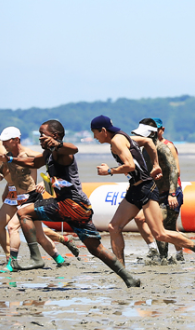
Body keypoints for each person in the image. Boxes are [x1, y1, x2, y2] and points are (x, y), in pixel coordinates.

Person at [0, 120, 140, 287]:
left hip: (68, 204)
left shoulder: (62, 152)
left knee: (24, 213)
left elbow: (74, 148)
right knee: (95, 248)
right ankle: (129, 278)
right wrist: (10, 159)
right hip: (80, 206)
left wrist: (57, 144)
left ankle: (36, 258)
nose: (39, 138)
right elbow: (34, 163)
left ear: (54, 136)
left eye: (42, 134)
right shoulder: (48, 153)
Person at [92, 115, 195, 269]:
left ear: (103, 131)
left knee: (160, 233)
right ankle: (121, 269)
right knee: (114, 227)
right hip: (135, 189)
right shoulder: (124, 137)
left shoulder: (117, 141)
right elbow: (148, 142)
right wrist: (155, 165)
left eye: (94, 133)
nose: (94, 137)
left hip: (146, 189)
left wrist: (109, 171)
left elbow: (130, 165)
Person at [0, 129, 76, 271]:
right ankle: (60, 260)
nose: (3, 144)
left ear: (16, 139)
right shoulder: (7, 156)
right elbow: (6, 175)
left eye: (6, 141)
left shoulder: (31, 154)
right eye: (2, 141)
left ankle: (12, 263)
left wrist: (43, 182)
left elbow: (54, 168)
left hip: (31, 197)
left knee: (13, 227)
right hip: (15, 198)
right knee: (39, 235)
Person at [132, 119, 183, 261]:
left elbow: (175, 171)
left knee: (164, 227)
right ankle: (161, 254)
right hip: (155, 193)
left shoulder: (165, 147)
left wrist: (172, 194)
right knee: (159, 226)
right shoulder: (145, 149)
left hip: (170, 193)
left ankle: (173, 255)